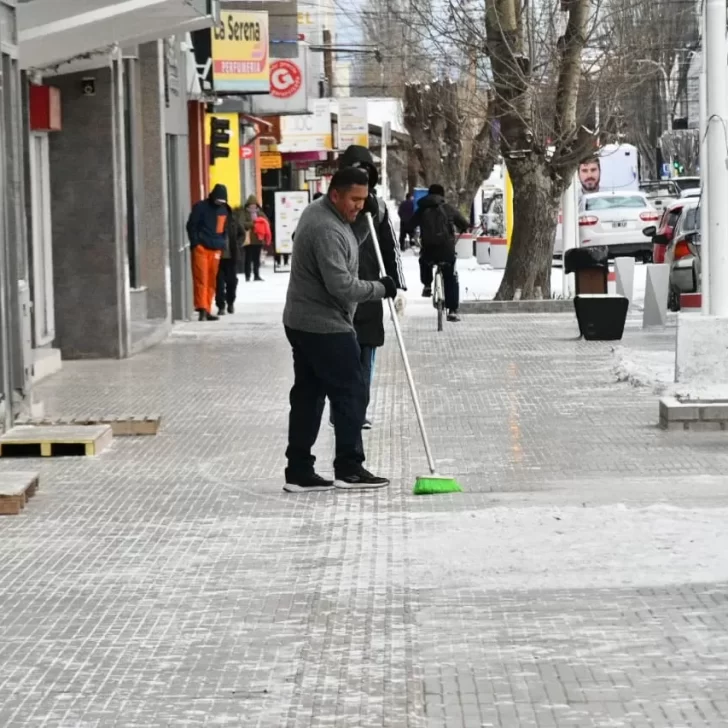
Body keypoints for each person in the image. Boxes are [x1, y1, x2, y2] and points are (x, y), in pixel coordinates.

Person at [282, 167, 397, 493]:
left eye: (364, 200)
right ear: (336, 194)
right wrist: (380, 288)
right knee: (350, 392)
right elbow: (341, 286)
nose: (359, 206)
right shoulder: (325, 229)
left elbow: (348, 242)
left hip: (303, 320)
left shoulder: (324, 214)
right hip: (323, 325)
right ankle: (349, 467)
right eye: (354, 200)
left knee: (308, 395)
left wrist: (363, 221)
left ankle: (299, 471)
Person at [334, 144, 406, 430]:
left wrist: (396, 284)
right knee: (341, 357)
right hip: (339, 295)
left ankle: (358, 409)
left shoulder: (378, 207)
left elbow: (390, 246)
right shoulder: (330, 206)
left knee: (366, 357)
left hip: (371, 293)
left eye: (365, 173)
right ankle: (341, 408)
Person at [406, 183, 469, 322]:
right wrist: (463, 228)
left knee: (424, 261)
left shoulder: (422, 209)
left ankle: (427, 285)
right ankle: (452, 310)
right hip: (446, 249)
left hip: (429, 249)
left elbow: (410, 225)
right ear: (442, 195)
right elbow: (464, 223)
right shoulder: (448, 208)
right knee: (450, 276)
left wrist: (412, 235)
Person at [186, 184, 230, 321]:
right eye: (218, 200)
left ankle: (207, 308)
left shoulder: (224, 210)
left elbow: (224, 228)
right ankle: (202, 309)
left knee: (211, 280)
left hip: (216, 248)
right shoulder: (200, 207)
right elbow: (191, 226)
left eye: (222, 201)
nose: (219, 203)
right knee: (201, 279)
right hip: (202, 248)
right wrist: (196, 243)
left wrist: (222, 244)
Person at [215, 206, 242, 316]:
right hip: (218, 258)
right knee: (219, 284)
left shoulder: (233, 221)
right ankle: (221, 306)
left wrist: (237, 244)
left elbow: (242, 233)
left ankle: (230, 302)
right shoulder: (215, 221)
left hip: (231, 257)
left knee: (232, 282)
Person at [238, 195, 270, 282]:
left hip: (258, 240)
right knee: (248, 259)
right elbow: (241, 224)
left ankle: (256, 275)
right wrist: (253, 224)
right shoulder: (244, 213)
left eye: (254, 205)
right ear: (248, 205)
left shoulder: (260, 213)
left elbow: (266, 222)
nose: (253, 207)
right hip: (248, 240)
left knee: (256, 259)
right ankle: (247, 275)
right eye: (251, 205)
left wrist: (260, 224)